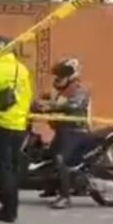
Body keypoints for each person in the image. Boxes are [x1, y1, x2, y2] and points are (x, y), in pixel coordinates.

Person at [0, 35, 33, 223]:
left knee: (1, 169)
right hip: (18, 126)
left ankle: (8, 210)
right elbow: (27, 97)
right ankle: (11, 208)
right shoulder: (22, 69)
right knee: (12, 168)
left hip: (0, 125)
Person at [34, 58, 92, 210]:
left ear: (71, 74)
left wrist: (48, 107)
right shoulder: (62, 91)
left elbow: (71, 105)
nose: (58, 78)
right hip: (63, 131)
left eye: (61, 75)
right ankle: (52, 188)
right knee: (48, 155)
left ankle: (66, 197)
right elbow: (51, 100)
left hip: (76, 132)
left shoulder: (79, 89)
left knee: (60, 159)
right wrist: (36, 102)